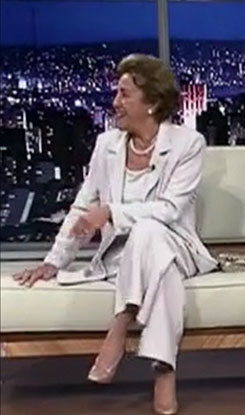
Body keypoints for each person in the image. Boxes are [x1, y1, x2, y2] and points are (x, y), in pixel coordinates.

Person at [13, 54, 217, 415]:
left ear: (152, 102)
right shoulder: (106, 145)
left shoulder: (188, 143)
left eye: (124, 94)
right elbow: (82, 206)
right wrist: (53, 262)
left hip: (177, 245)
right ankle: (164, 372)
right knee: (159, 266)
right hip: (126, 258)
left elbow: (169, 210)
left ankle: (120, 324)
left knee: (149, 231)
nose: (115, 102)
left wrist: (111, 212)